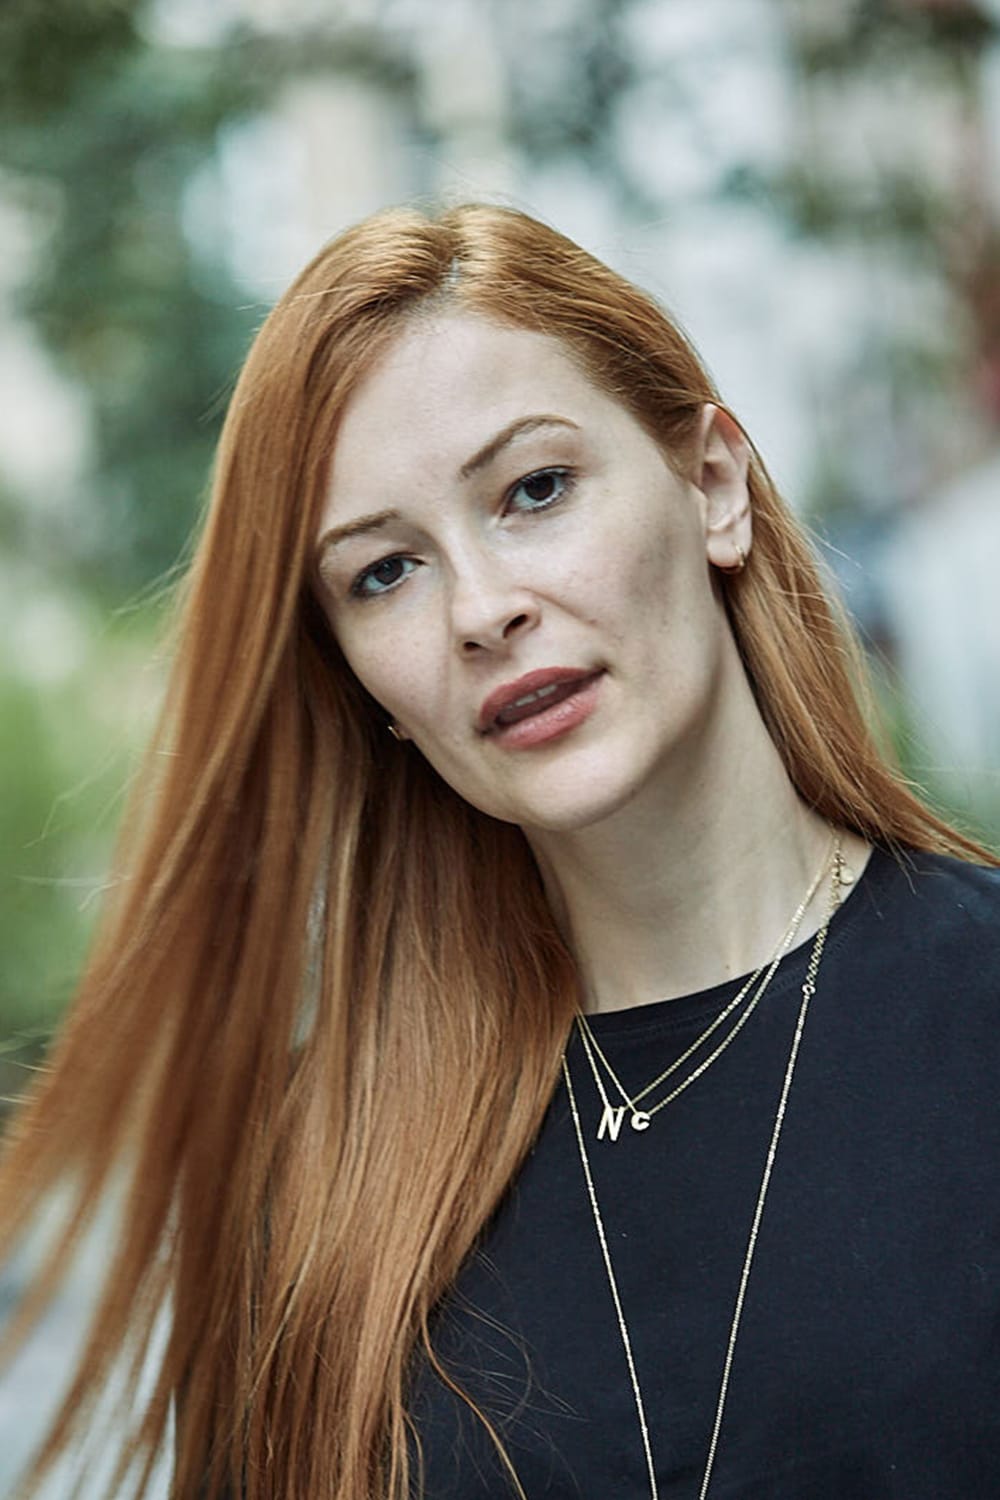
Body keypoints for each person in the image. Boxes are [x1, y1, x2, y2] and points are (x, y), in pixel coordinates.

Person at [1, 202, 998, 1500]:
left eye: (535, 489)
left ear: (713, 485)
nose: (482, 610)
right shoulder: (311, 1182)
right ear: (362, 686)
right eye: (384, 572)